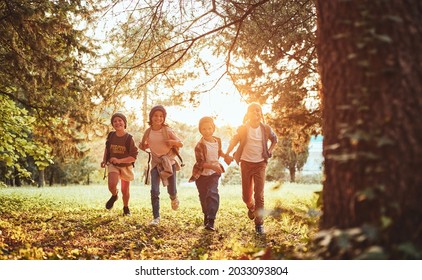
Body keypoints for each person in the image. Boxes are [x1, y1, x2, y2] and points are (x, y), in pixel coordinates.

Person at [224, 103, 278, 234]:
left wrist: (270, 150)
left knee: (259, 194)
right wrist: (227, 153)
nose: (257, 113)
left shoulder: (265, 128)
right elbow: (234, 141)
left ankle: (259, 224)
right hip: (246, 164)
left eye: (259, 111)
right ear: (248, 114)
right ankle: (251, 206)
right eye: (253, 111)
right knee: (246, 196)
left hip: (260, 164)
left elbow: (275, 139)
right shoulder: (243, 128)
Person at [139, 105, 183, 225]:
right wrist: (142, 146)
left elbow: (180, 144)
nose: (158, 118)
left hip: (169, 163)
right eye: (155, 116)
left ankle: (174, 198)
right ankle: (156, 217)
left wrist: (172, 142)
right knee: (154, 190)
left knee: (171, 189)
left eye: (161, 116)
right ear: (151, 117)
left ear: (164, 118)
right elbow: (145, 145)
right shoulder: (148, 132)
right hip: (155, 163)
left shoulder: (167, 130)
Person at [189, 117, 226, 231]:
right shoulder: (199, 146)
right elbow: (201, 163)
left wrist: (226, 157)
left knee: (212, 193)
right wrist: (213, 166)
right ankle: (206, 215)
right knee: (204, 197)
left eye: (209, 128)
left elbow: (219, 152)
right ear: (200, 130)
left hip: (214, 173)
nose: (207, 131)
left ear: (213, 128)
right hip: (201, 175)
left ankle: (211, 220)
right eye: (204, 129)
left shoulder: (217, 141)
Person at [101, 112, 138, 216]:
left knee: (125, 191)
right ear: (113, 124)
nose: (117, 123)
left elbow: (133, 157)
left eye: (120, 120)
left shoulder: (129, 138)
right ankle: (114, 195)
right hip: (113, 164)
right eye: (115, 121)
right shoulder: (111, 135)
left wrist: (120, 160)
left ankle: (126, 208)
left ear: (124, 123)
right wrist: (104, 160)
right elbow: (107, 149)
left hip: (126, 166)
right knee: (112, 184)